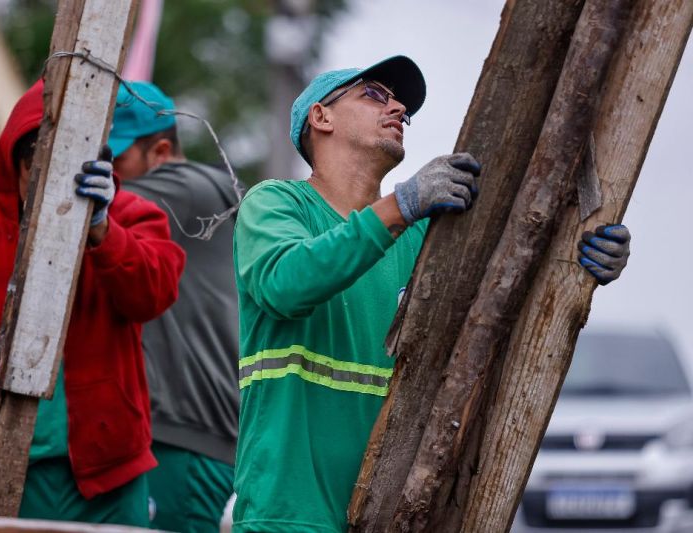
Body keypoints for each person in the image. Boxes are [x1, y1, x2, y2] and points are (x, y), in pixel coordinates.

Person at [231, 55, 631, 532]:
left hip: (390, 515)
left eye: (400, 103)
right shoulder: (277, 204)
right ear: (321, 117)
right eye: (375, 94)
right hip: (289, 514)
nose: (397, 107)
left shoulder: (420, 240)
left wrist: (578, 264)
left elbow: (496, 312)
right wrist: (400, 207)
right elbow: (286, 285)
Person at [0, 79, 186, 527]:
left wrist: (104, 231)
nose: (52, 185)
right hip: (0, 472)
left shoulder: (129, 216)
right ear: (16, 164)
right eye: (39, 168)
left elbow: (155, 293)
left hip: (112, 475)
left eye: (66, 170)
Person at [108, 81, 240, 532]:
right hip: (184, 435)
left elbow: (64, 205)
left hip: (184, 438)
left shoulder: (187, 188)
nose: (104, 174)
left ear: (161, 151)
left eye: (114, 160)